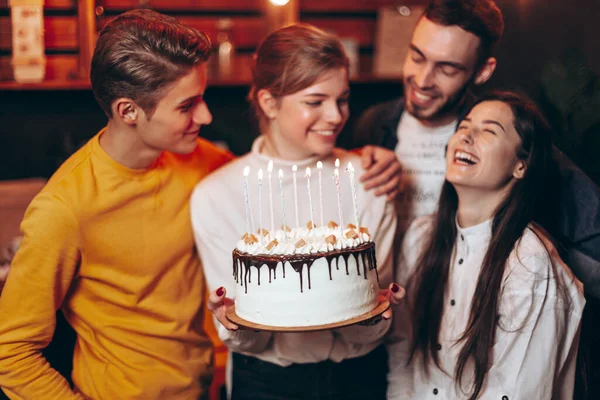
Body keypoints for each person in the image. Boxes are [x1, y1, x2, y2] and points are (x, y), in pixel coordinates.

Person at [0, 9, 234, 399]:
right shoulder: (64, 208)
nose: (205, 115)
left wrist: (365, 159)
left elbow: (270, 174)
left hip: (209, 388)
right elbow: (11, 351)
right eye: (186, 105)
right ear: (128, 111)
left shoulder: (199, 159)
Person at [191, 24, 404, 400]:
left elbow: (368, 319)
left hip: (358, 377)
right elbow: (245, 338)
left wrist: (377, 315)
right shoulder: (216, 195)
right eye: (315, 101)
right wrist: (235, 324)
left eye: (342, 99)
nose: (336, 116)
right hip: (267, 383)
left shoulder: (369, 181)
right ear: (269, 103)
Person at [345, 0, 600, 299]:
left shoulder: (503, 141)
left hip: (462, 323)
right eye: (417, 56)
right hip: (378, 322)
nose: (422, 80)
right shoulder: (374, 124)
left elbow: (591, 235)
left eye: (447, 69)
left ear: (482, 71)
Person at [387, 91, 585, 399]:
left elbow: (517, 391)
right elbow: (403, 348)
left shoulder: (530, 265)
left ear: (521, 166)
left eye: (488, 131)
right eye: (464, 126)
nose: (466, 137)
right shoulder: (420, 236)